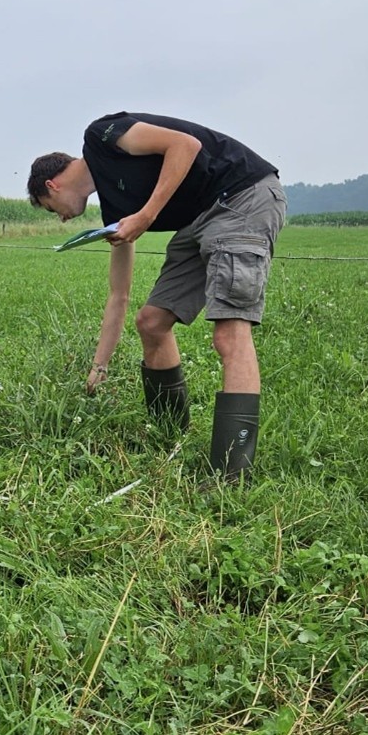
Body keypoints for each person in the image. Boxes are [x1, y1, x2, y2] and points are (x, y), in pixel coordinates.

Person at [27, 111, 286, 481]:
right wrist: (100, 365)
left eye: (53, 212)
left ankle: (232, 474)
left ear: (51, 186)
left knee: (229, 333)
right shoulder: (116, 209)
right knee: (151, 322)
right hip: (201, 218)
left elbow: (184, 145)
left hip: (241, 198)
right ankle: (170, 436)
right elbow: (119, 293)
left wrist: (146, 216)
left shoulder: (101, 135)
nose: (63, 220)